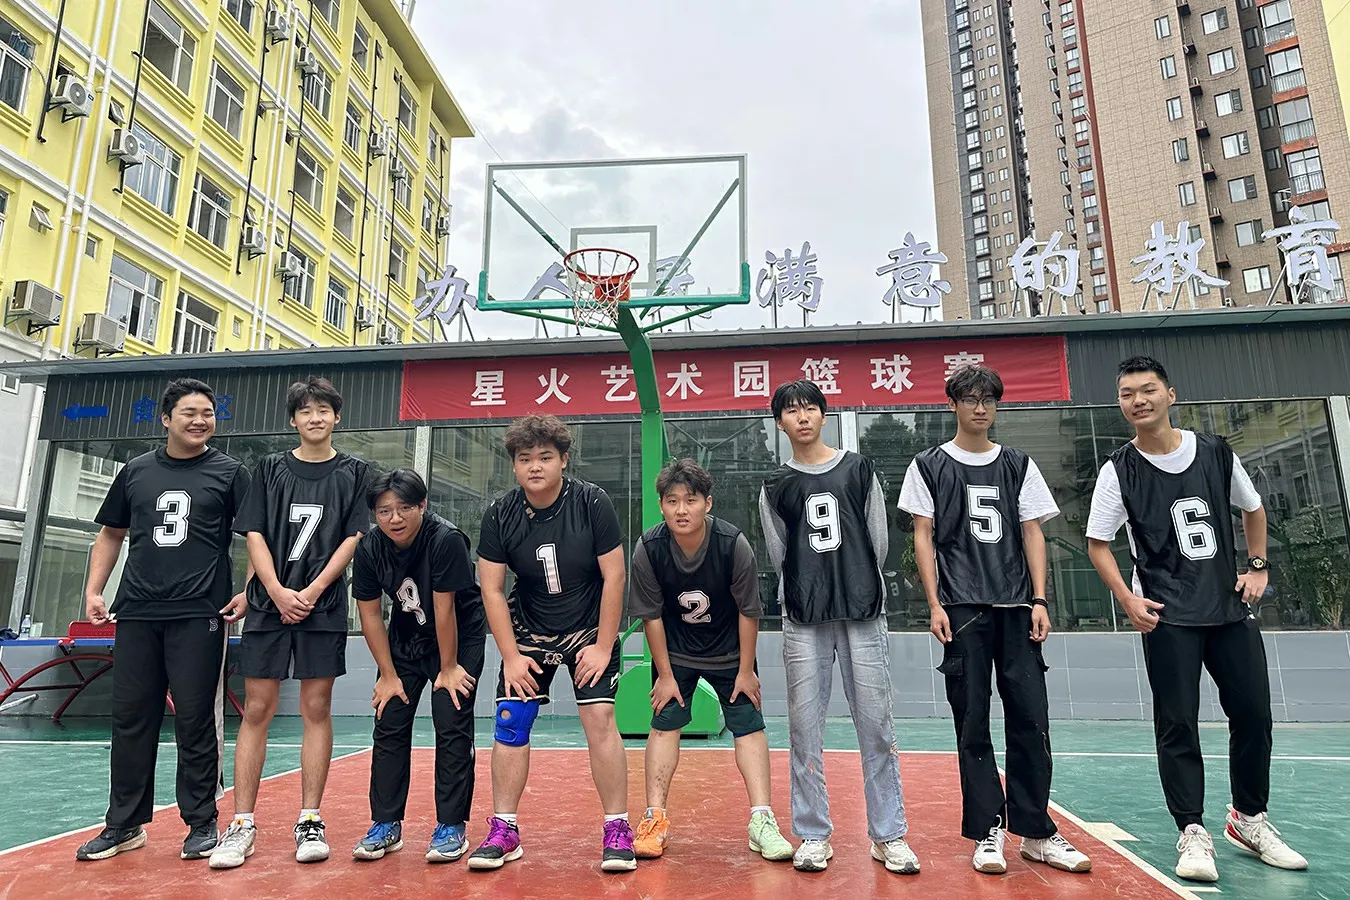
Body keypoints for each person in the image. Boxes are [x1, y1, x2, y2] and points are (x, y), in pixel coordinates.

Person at [1085, 356, 1307, 884]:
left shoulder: (1214, 452)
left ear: (1170, 395)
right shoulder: (1118, 469)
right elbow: (1098, 543)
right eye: (1127, 394)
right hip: (1166, 616)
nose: (1138, 400)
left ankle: (1249, 819)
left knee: (1253, 715)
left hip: (1227, 608)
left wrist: (1258, 566)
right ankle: (1191, 829)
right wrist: (1127, 599)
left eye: (1147, 390)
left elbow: (1253, 509)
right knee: (1178, 724)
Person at [899, 364, 1091, 875]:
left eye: (988, 399)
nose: (980, 407)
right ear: (953, 405)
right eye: (970, 398)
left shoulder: (1018, 464)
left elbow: (1033, 532)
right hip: (962, 609)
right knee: (973, 721)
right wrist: (935, 603)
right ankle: (988, 830)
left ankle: (1036, 831)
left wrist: (1040, 599)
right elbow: (923, 536)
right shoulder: (928, 465)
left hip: (1016, 607)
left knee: (1031, 718)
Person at [75, 379, 250, 862]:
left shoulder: (231, 472)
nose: (200, 421)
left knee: (196, 719)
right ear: (167, 419)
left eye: (208, 413)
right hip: (137, 611)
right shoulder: (136, 471)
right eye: (190, 412)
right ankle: (124, 824)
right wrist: (94, 590)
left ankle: (201, 820)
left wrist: (250, 589)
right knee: (131, 719)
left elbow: (256, 535)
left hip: (201, 613)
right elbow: (111, 533)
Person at [759, 379, 920, 875]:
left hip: (862, 610)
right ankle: (813, 834)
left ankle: (889, 835)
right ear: (780, 423)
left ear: (823, 414)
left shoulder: (858, 469)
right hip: (803, 616)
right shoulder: (775, 485)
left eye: (810, 407)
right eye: (791, 411)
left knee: (877, 725)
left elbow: (877, 541)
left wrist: (856, 583)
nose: (802, 417)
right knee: (805, 728)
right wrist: (805, 590)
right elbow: (779, 554)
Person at [210, 377, 370, 869]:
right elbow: (254, 534)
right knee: (257, 707)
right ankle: (241, 823)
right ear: (293, 419)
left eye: (323, 410)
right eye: (305, 411)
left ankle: (310, 819)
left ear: (337, 417)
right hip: (268, 604)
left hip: (322, 605)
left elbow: (352, 538)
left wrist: (313, 591)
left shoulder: (356, 472)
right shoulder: (269, 468)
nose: (315, 418)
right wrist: (276, 590)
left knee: (316, 706)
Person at [467, 415, 634, 873]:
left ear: (563, 460)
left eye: (545, 457)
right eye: (525, 459)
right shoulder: (500, 513)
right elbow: (492, 589)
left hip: (588, 628)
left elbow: (615, 575)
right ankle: (504, 829)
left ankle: (617, 828)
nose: (535, 466)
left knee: (599, 717)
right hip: (529, 628)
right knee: (510, 719)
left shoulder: (592, 502)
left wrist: (603, 646)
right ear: (514, 466)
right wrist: (510, 656)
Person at [628, 459, 793, 862]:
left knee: (748, 726)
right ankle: (654, 818)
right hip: (676, 652)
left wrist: (745, 671)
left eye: (690, 500)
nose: (681, 510)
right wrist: (665, 675)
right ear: (661, 506)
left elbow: (749, 611)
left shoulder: (732, 544)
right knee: (663, 724)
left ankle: (762, 819)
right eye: (672, 501)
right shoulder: (649, 548)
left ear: (708, 503)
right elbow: (650, 616)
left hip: (730, 652)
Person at [350, 468, 485, 864]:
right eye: (384, 511)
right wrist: (388, 675)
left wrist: (449, 668)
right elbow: (370, 614)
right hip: (406, 637)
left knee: (451, 719)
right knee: (389, 719)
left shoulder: (445, 540)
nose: (394, 518)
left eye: (404, 508)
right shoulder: (370, 547)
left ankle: (451, 825)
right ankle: (385, 823)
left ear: (422, 505)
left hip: (457, 637)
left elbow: (445, 610)